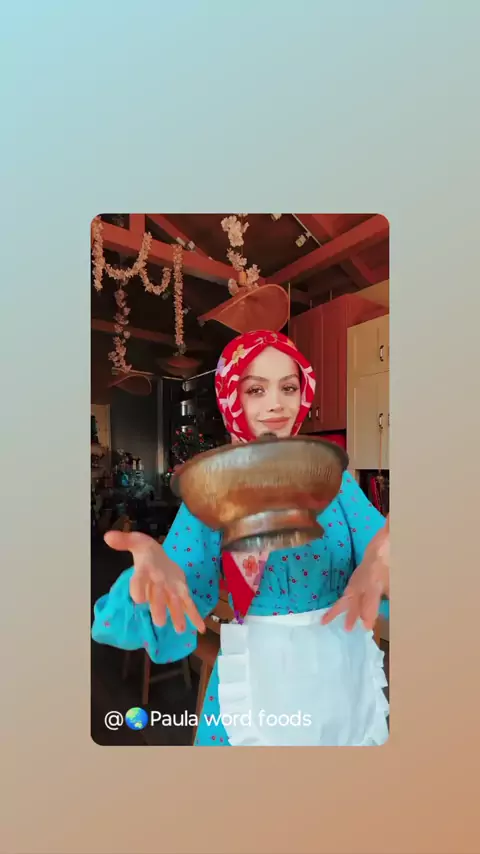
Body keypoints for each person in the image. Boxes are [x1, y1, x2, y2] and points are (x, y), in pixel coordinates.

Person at [92, 330, 390, 746]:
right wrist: (147, 590)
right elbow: (172, 606)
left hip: (346, 678)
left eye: (289, 387)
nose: (276, 404)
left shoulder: (335, 483)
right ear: (231, 397)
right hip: (258, 683)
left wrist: (389, 552)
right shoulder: (210, 491)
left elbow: (396, 561)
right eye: (256, 389)